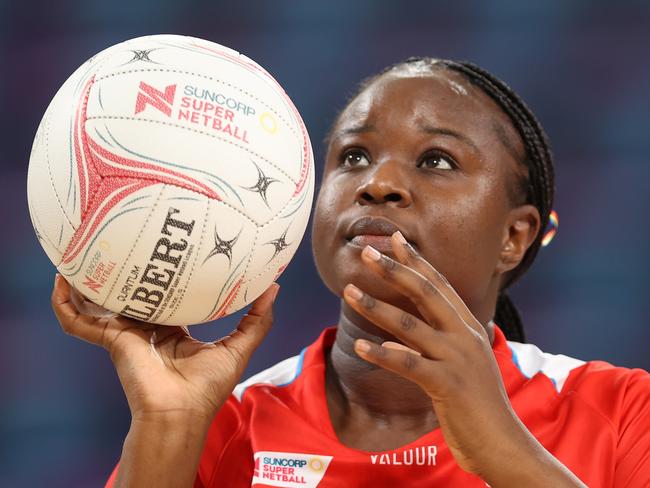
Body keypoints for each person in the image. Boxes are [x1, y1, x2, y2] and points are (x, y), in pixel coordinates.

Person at [51, 57, 649, 487]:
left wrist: (502, 447)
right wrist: (167, 426)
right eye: (354, 156)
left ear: (513, 237)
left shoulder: (623, 411)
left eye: (436, 160)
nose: (377, 183)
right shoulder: (223, 427)